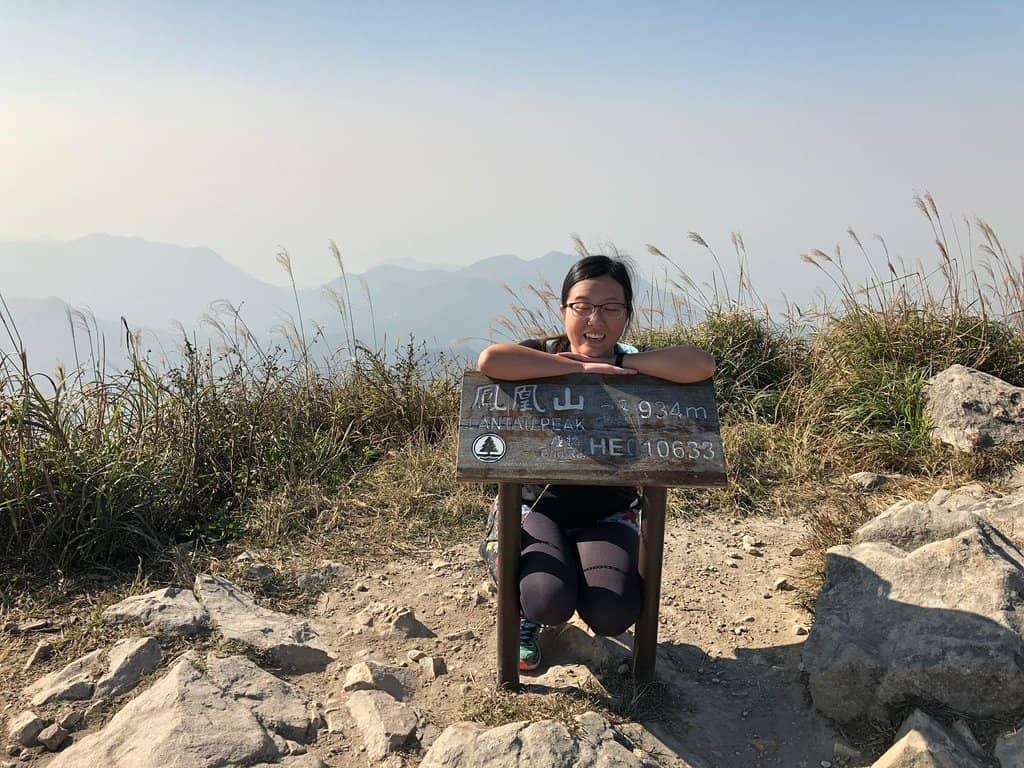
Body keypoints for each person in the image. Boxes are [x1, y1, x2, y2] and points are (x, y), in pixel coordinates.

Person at [476, 254, 715, 671]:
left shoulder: (636, 360)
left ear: (627, 314)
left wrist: (618, 363)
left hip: (606, 515)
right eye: (582, 306)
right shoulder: (541, 354)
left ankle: (574, 569)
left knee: (613, 615)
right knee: (545, 601)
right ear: (564, 309)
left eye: (610, 308)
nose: (595, 319)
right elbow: (491, 360)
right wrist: (580, 367)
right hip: (536, 509)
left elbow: (701, 364)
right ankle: (520, 606)